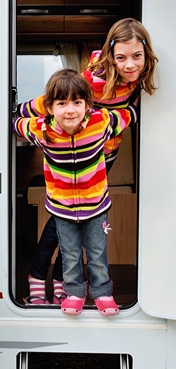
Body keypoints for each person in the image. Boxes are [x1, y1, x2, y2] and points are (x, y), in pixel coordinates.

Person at [18, 17, 158, 306]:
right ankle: (38, 274)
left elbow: (125, 114)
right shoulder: (96, 79)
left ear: (146, 54)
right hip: (76, 151)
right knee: (63, 218)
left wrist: (134, 110)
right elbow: (57, 100)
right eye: (121, 58)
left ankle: (61, 280)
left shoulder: (135, 81)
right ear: (111, 55)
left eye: (137, 57)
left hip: (102, 157)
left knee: (77, 216)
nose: (130, 65)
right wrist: (17, 110)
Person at [13, 68, 139, 316]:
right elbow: (18, 124)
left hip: (97, 208)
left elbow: (127, 116)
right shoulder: (43, 130)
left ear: (87, 105)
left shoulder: (100, 123)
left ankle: (102, 293)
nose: (70, 109)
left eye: (77, 102)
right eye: (61, 103)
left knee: (97, 252)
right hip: (62, 209)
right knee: (70, 254)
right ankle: (73, 294)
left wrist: (138, 104)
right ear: (49, 107)